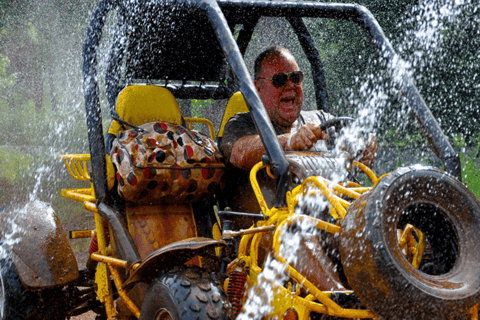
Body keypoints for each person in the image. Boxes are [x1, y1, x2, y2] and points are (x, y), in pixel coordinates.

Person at [219, 47, 376, 211]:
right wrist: (290, 141)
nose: (290, 86)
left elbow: (354, 140)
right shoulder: (242, 124)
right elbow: (240, 153)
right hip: (264, 230)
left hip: (332, 224)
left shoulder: (322, 120)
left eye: (295, 77)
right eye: (279, 80)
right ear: (258, 88)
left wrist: (366, 145)